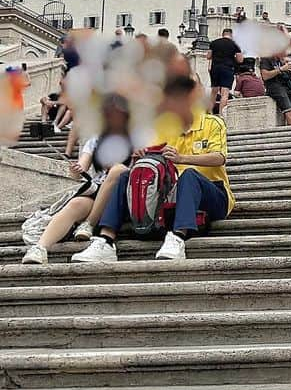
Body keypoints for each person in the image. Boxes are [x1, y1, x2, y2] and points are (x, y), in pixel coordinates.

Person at [72, 74, 234, 264]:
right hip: (171, 194)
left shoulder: (212, 123)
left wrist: (183, 158)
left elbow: (219, 158)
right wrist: (140, 154)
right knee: (124, 174)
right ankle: (105, 240)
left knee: (189, 175)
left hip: (213, 193)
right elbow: (151, 160)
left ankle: (177, 237)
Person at [22, 131, 132, 265]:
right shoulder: (95, 139)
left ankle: (89, 224)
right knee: (76, 203)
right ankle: (40, 248)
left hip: (125, 192)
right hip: (98, 189)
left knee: (118, 169)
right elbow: (79, 171)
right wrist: (75, 170)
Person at [259, 51, 291, 126]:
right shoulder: (266, 59)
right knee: (289, 113)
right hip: (276, 88)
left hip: (286, 87)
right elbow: (265, 76)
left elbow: (288, 76)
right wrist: (281, 69)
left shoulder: (280, 60)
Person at [207, 27, 242, 114]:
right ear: (231, 35)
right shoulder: (234, 44)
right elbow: (240, 59)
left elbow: (208, 56)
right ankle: (221, 114)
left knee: (214, 91)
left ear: (223, 34)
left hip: (215, 68)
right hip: (227, 68)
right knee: (224, 93)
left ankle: (209, 112)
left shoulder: (214, 43)